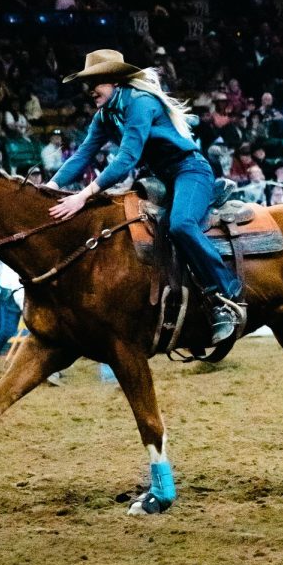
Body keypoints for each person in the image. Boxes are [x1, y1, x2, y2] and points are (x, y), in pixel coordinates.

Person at [45, 49, 245, 346]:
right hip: (160, 179)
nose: (89, 92)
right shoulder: (104, 116)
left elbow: (126, 158)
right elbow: (82, 155)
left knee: (181, 225)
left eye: (94, 83)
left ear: (113, 80)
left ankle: (226, 296)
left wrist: (83, 196)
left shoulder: (140, 102)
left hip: (189, 170)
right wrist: (49, 187)